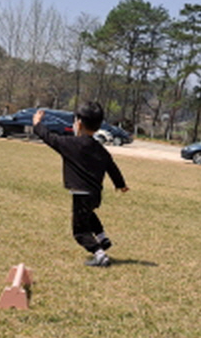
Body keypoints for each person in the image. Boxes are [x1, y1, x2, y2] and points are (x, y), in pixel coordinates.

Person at [33, 103, 129, 267]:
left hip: (81, 193)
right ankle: (102, 237)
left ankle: (99, 254)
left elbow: (48, 137)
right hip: (95, 194)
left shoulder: (69, 144)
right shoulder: (100, 149)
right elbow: (112, 167)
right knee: (89, 215)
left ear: (78, 124)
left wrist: (37, 123)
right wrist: (120, 184)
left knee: (80, 231)